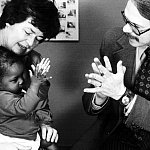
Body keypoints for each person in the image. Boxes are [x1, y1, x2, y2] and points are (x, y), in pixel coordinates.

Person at [72, 0, 150, 149]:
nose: (126, 29)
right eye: (126, 19)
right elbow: (90, 104)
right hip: (113, 135)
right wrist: (100, 97)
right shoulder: (113, 39)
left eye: (136, 26)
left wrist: (123, 95)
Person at [0, 0, 60, 149]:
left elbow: (41, 103)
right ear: (10, 21)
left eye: (38, 39)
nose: (30, 43)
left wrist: (44, 123)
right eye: (28, 32)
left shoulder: (34, 61)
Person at [0, 46, 57, 150]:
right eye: (15, 79)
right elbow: (23, 106)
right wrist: (35, 84)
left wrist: (42, 83)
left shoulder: (20, 91)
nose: (21, 81)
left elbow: (40, 102)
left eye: (22, 75)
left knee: (51, 143)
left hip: (30, 137)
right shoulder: (2, 98)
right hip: (12, 140)